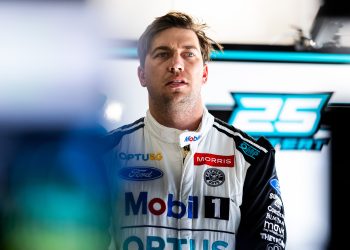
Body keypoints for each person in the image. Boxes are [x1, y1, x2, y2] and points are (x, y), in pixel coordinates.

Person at [104, 11, 287, 250]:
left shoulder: (253, 157)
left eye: (188, 54)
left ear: (204, 73)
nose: (176, 64)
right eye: (162, 54)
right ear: (142, 75)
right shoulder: (104, 151)